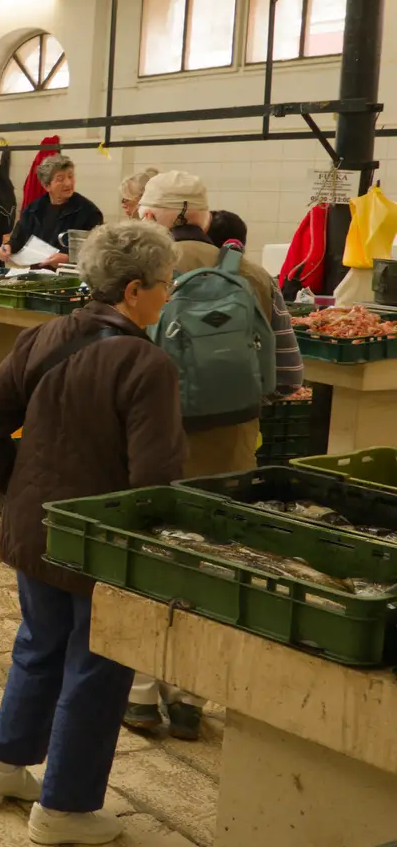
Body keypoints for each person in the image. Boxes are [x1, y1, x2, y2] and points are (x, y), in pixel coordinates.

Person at [0, 220, 186, 846]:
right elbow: (156, 483)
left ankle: (3, 769)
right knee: (98, 667)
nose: (169, 296)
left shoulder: (44, 336)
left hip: (36, 534)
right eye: (166, 285)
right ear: (135, 290)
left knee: (38, 646)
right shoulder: (147, 365)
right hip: (101, 549)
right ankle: (66, 807)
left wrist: (19, 491)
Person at [129, 172, 303, 739]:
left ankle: (137, 694)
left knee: (147, 551)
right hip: (231, 441)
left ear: (156, 215)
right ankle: (190, 698)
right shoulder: (252, 276)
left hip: (153, 436)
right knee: (213, 558)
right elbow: (287, 377)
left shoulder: (141, 271)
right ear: (205, 215)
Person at [0, 155, 102, 268]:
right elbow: (17, 240)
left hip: (71, 278)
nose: (68, 183)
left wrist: (68, 259)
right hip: (37, 276)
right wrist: (7, 248)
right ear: (47, 186)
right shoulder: (33, 210)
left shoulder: (89, 212)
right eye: (60, 179)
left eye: (70, 176)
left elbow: (95, 253)